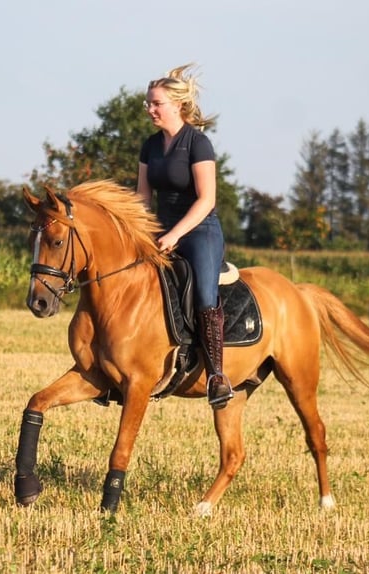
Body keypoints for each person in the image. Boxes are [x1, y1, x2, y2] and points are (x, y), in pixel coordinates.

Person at [136, 64, 233, 409]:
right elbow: (143, 199)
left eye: (156, 103)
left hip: (199, 230)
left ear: (177, 104)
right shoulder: (149, 146)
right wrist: (141, 233)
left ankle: (217, 376)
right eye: (148, 103)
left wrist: (175, 234)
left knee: (206, 294)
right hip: (161, 230)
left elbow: (207, 199)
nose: (150, 109)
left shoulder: (198, 142)